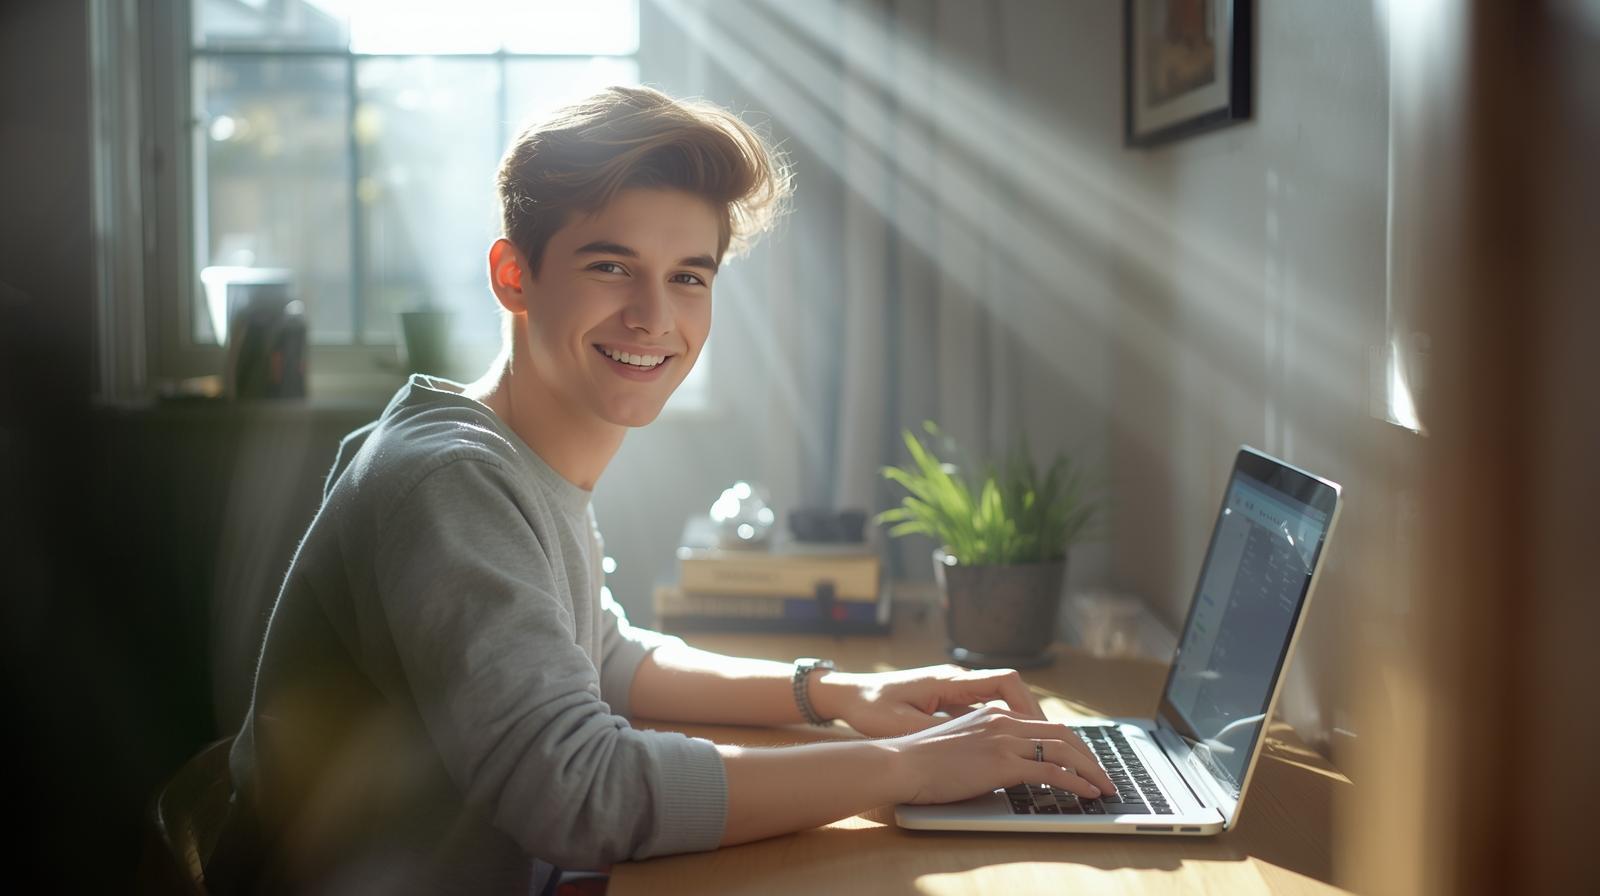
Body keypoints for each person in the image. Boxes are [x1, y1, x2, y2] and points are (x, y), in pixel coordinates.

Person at [207, 85, 1113, 895]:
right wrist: (904, 769)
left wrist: (836, 694)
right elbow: (577, 790)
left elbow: (603, 657)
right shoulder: (453, 480)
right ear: (514, 276)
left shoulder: (513, 457)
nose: (654, 317)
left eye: (689, 277)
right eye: (611, 266)